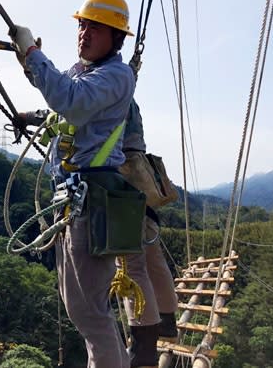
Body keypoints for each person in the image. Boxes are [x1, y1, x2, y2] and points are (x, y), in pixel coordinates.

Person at [9, 0, 141, 368]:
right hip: (72, 199)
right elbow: (61, 105)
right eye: (83, 26)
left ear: (116, 38)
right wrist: (31, 109)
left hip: (93, 198)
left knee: (91, 313)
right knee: (81, 310)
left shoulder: (117, 75)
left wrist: (33, 55)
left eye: (95, 29)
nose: (84, 34)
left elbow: (71, 101)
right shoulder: (83, 71)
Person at [118, 98, 179, 367]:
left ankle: (143, 348)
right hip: (142, 180)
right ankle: (167, 320)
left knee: (132, 267)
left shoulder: (107, 87)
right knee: (152, 259)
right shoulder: (126, 95)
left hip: (121, 180)